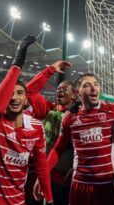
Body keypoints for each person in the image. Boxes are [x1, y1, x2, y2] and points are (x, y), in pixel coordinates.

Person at [0, 35, 53, 205]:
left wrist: (49, 199)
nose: (14, 98)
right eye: (10, 93)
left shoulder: (36, 127)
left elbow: (41, 166)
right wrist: (17, 63)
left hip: (18, 201)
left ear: (26, 99)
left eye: (20, 93)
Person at [36, 73, 114, 205]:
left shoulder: (112, 110)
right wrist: (42, 176)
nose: (93, 88)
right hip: (80, 184)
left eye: (96, 84)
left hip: (106, 184)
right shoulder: (70, 117)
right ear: (78, 92)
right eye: (87, 85)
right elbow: (57, 149)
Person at [24, 60, 74, 205]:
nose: (60, 91)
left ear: (74, 95)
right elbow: (29, 91)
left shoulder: (77, 116)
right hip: (43, 175)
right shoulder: (48, 109)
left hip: (64, 179)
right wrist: (50, 70)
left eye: (65, 89)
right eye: (58, 89)